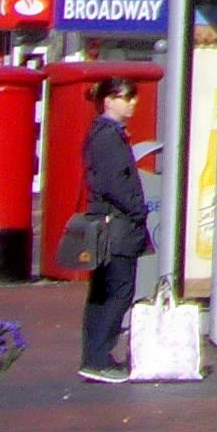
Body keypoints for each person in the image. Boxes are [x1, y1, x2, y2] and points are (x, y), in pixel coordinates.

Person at [77, 77, 150, 381]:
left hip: (110, 224)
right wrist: (136, 208)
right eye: (125, 97)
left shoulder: (107, 134)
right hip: (116, 226)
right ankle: (98, 359)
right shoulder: (107, 137)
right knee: (119, 291)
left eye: (133, 97)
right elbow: (112, 183)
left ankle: (94, 356)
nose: (132, 102)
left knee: (103, 292)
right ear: (108, 100)